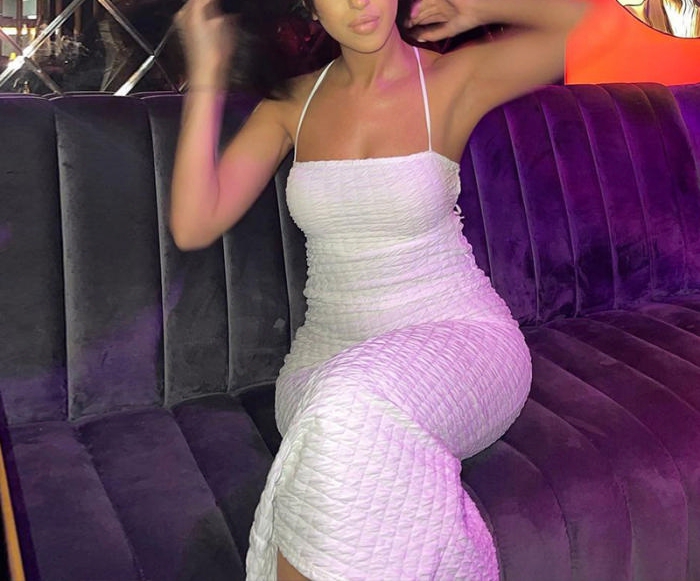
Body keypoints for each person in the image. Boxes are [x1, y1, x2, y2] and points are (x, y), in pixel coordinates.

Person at [172, 0, 591, 579]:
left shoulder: (452, 77)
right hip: (324, 361)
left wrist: (471, 9)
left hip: (460, 343)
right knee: (343, 410)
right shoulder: (292, 103)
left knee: (350, 404)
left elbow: (585, 23)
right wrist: (206, 72)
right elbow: (195, 223)